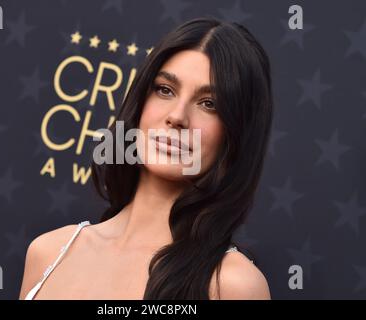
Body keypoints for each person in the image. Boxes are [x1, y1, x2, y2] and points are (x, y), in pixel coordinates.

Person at [20, 16, 273, 300]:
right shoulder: (48, 252)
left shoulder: (233, 285)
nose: (177, 117)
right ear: (140, 101)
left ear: (235, 134)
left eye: (209, 104)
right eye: (165, 90)